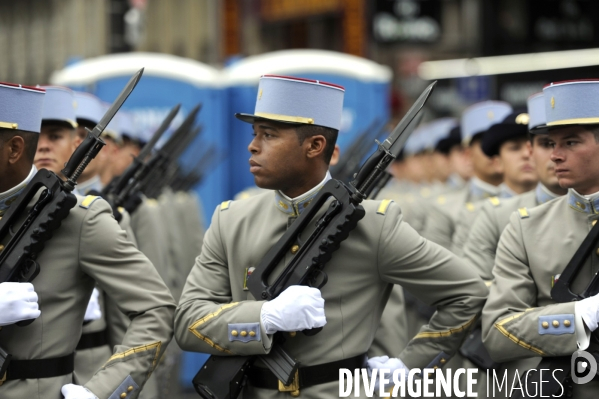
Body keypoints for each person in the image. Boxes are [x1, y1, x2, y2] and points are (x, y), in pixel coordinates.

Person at [174, 74, 488, 398]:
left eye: (269, 135)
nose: (253, 145)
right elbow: (187, 321)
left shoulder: (374, 226)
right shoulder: (231, 220)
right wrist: (265, 317)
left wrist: (409, 365)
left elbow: (466, 294)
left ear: (315, 146)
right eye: (255, 134)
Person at [0, 81, 175, 399]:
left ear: (14, 148)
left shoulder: (80, 219)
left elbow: (155, 308)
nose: (44, 146)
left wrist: (102, 392)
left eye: (55, 136)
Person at [482, 79, 599, 397]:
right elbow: (497, 332)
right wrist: (581, 316)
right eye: (550, 143)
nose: (555, 156)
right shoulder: (526, 229)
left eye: (571, 143)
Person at [451, 109, 538, 255]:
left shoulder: (563, 208)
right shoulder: (476, 215)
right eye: (515, 148)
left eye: (533, 147)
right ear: (497, 163)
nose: (526, 154)